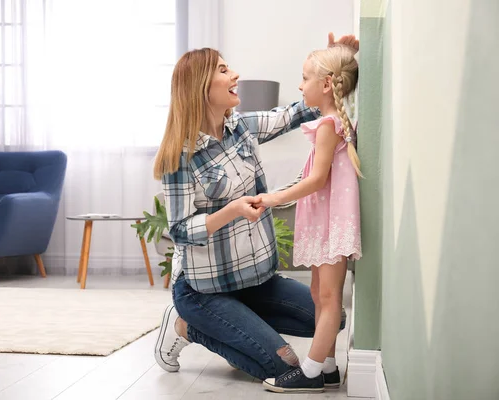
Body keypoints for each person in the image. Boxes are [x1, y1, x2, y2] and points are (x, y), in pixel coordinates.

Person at [152, 34, 359, 393]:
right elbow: (181, 230)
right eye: (223, 69)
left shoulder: (242, 128)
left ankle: (239, 326)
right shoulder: (179, 158)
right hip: (205, 290)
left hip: (256, 282)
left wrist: (341, 61)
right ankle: (188, 324)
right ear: (202, 88)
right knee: (285, 365)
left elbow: (305, 108)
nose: (235, 74)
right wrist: (229, 211)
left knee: (332, 317)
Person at [254, 44, 361, 393]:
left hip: (332, 223)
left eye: (305, 78)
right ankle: (327, 366)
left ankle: (311, 371)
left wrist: (275, 198)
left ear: (327, 84)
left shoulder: (330, 125)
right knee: (319, 293)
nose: (300, 87)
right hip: (324, 220)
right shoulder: (328, 124)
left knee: (329, 297)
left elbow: (316, 179)